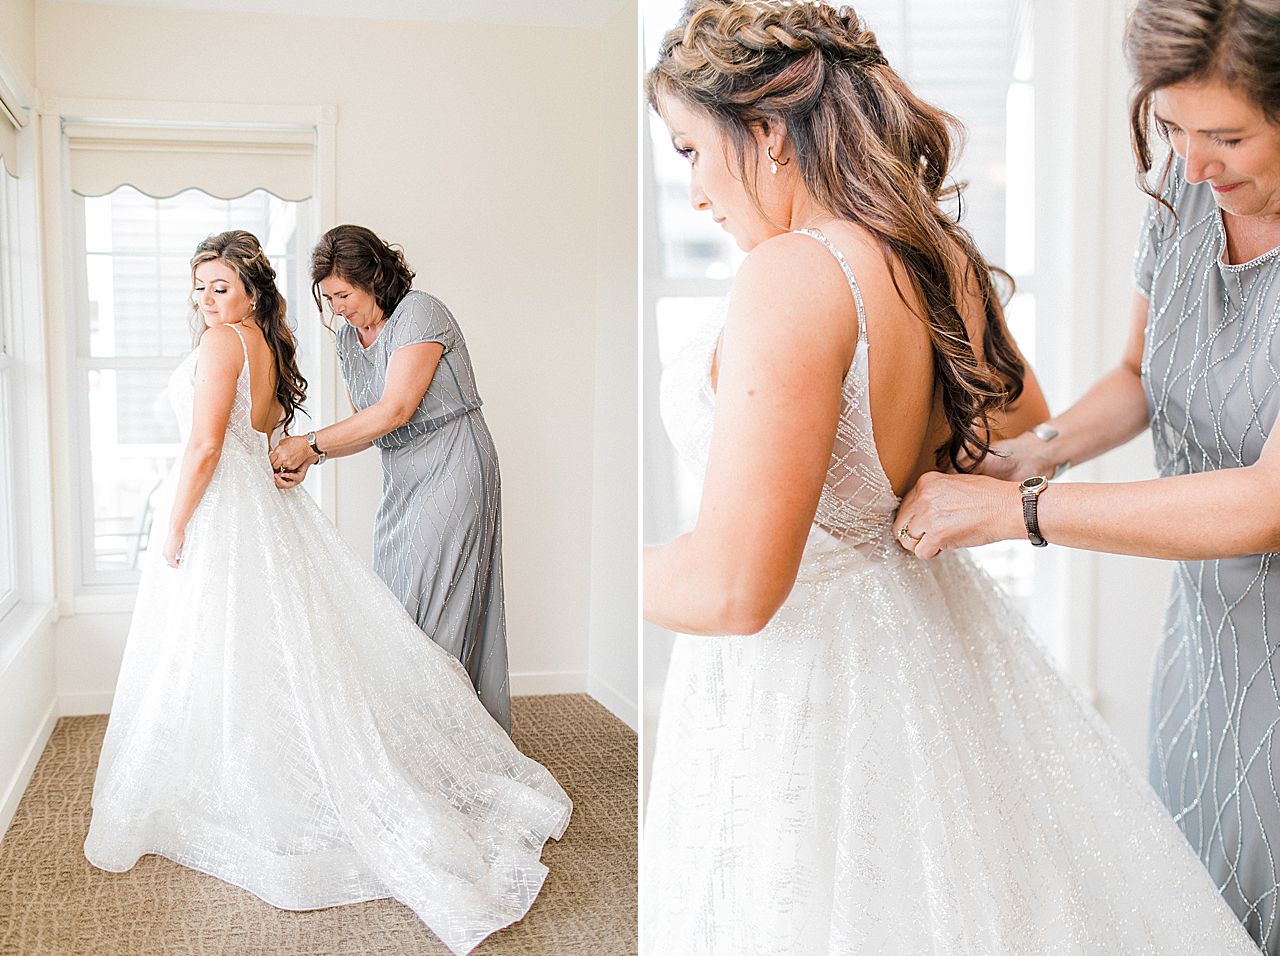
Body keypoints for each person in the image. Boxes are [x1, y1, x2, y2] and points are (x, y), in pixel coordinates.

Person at [641, 2, 1259, 952]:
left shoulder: (791, 276)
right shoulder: (931, 251)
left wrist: (618, 574)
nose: (694, 193)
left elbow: (734, 588)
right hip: (927, 648)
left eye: (689, 150)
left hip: (810, 686)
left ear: (765, 135)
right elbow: (1020, 425)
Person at [893, 0, 1280, 949]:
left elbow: (1266, 505)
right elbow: (1147, 373)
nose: (1194, 162)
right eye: (1173, 126)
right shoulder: (1188, 191)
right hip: (1209, 644)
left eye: (1227, 134)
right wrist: (1042, 448)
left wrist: (1018, 509)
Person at [83, 231, 571, 956]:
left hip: (410, 470)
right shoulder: (283, 342)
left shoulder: (400, 318)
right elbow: (277, 432)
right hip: (355, 485)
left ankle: (429, 766)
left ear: (251, 290)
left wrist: (179, 519)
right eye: (199, 288)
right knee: (370, 626)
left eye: (221, 286)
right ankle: (420, 755)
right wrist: (300, 455)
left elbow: (220, 443)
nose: (207, 300)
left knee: (380, 626)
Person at [270, 225, 511, 733]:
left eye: (344, 295)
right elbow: (370, 428)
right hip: (402, 478)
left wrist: (311, 442)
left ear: (374, 280)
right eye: (329, 297)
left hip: (453, 463)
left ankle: (448, 739)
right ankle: (420, 734)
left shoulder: (420, 313)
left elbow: (396, 409)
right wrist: (315, 459)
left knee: (437, 601)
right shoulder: (349, 343)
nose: (337, 308)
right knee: (395, 603)